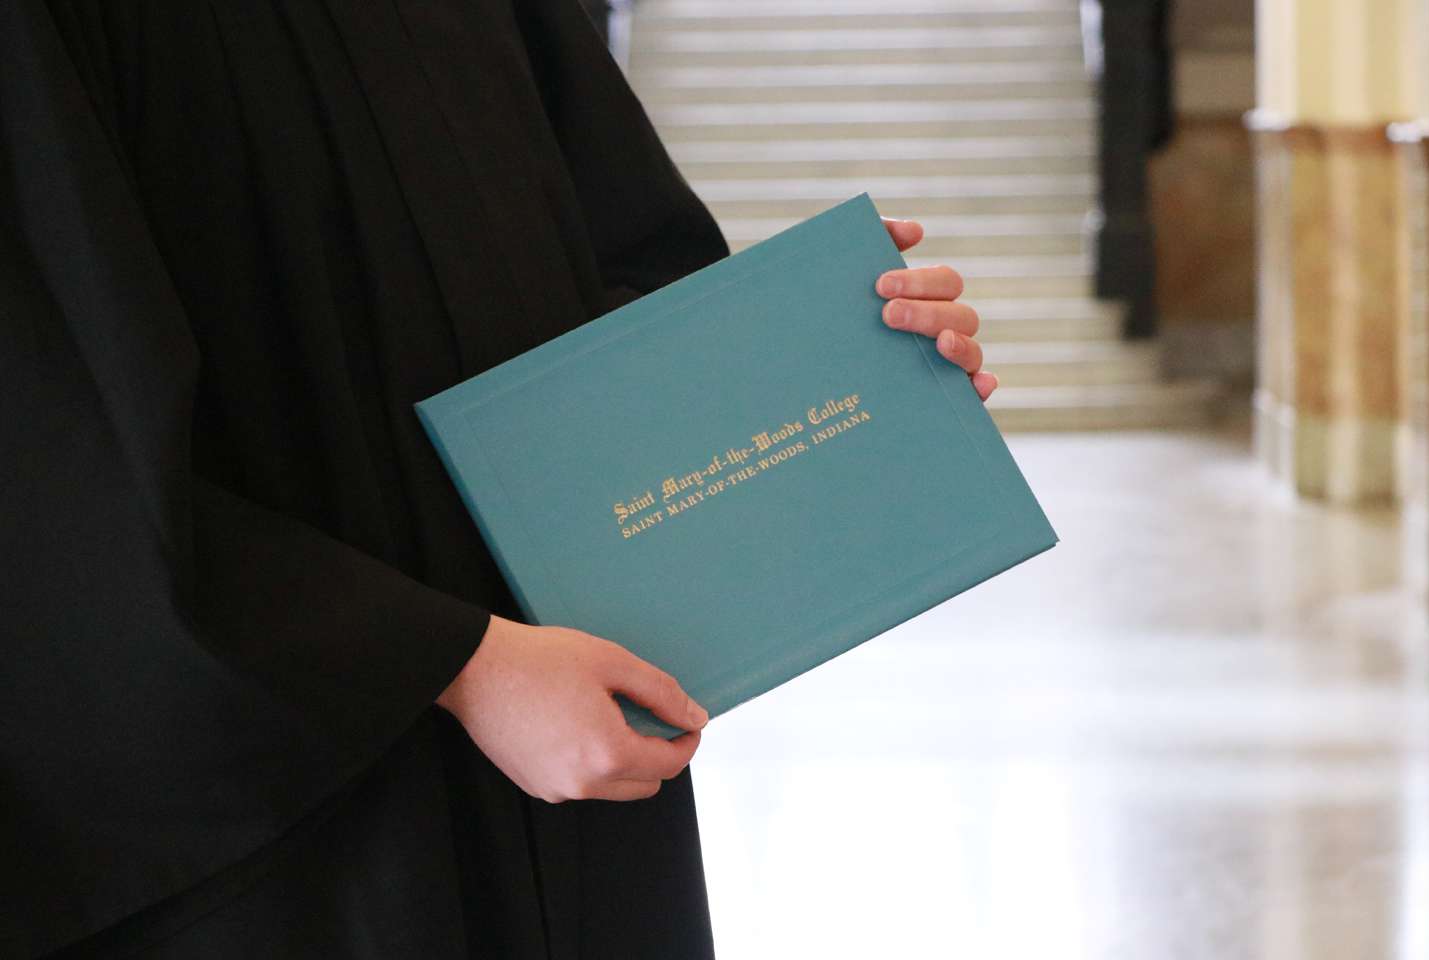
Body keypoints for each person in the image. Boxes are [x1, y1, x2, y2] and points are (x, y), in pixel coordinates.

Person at [0, 1, 997, 957]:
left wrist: (834, 371)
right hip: (298, 811)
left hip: (572, 731)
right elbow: (51, 442)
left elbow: (619, 271)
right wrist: (454, 662)